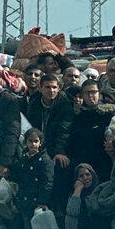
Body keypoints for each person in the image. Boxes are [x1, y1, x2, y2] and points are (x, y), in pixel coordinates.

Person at [24, 72, 74, 213]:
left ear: (58, 88)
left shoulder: (64, 105)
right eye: (47, 87)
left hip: (56, 147)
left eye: (54, 87)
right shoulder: (34, 103)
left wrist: (59, 152)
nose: (51, 91)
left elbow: (63, 131)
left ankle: (59, 210)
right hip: (37, 146)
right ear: (40, 88)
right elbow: (31, 128)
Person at [7, 128, 56, 229]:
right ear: (26, 142)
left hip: (37, 201)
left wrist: (43, 201)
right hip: (25, 201)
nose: (33, 144)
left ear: (40, 143)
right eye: (30, 141)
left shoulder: (44, 160)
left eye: (36, 141)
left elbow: (47, 182)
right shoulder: (23, 160)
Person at [66, 81, 115, 188]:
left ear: (99, 93)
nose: (90, 96)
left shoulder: (107, 115)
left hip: (102, 162)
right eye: (87, 93)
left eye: (93, 92)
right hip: (81, 162)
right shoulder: (76, 116)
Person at [64, 163, 115, 229]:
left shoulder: (102, 190)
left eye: (87, 174)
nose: (85, 178)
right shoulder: (77, 194)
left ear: (93, 175)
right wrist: (77, 190)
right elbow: (72, 212)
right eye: (81, 176)